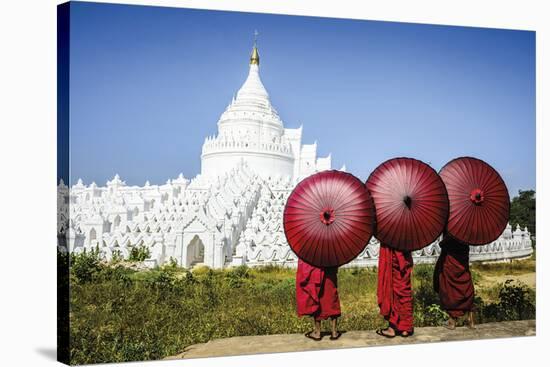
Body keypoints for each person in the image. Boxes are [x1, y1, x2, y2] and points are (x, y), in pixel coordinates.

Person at [433, 235, 475, 329]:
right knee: (466, 284)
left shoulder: (449, 223)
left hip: (450, 257)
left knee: (449, 288)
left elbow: (446, 242)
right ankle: (471, 319)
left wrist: (443, 243)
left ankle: (452, 321)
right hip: (462, 256)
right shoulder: (465, 224)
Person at [296, 258, 342, 340]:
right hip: (330, 272)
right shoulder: (332, 248)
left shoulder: (314, 249)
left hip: (316, 270)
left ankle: (317, 332)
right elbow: (337, 259)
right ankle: (334, 332)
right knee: (332, 300)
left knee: (318, 300)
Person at [376, 244, 414, 338]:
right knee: (404, 292)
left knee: (391, 291)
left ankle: (392, 328)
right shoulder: (408, 231)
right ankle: (405, 328)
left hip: (391, 255)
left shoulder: (390, 231)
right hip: (405, 256)